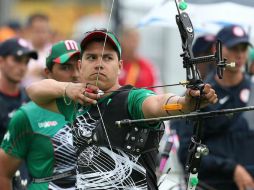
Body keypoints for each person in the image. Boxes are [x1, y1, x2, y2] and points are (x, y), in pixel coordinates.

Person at [25, 29, 217, 190]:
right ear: (80, 66)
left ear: (119, 66)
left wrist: (186, 104)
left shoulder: (132, 99)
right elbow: (34, 91)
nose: (99, 64)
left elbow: (157, 104)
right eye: (91, 57)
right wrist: (67, 88)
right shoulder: (78, 101)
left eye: (107, 58)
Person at [171, 25, 254, 190]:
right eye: (233, 48)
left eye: (243, 48)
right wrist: (232, 170)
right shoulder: (199, 97)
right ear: (217, 50)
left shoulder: (252, 92)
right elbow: (187, 153)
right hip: (210, 185)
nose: (239, 55)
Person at [0, 40, 81, 190]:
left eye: (80, 66)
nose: (76, 74)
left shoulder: (98, 107)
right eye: (65, 67)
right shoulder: (30, 112)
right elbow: (3, 172)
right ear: (48, 73)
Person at [0, 37, 38, 143]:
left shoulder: (30, 98)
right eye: (17, 60)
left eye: (26, 62)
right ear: (1, 61)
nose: (22, 67)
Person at [118, 27, 161, 92]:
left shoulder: (146, 66)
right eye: (130, 40)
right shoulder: (114, 64)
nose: (133, 45)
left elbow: (157, 92)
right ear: (121, 40)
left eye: (135, 40)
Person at [22, 13, 52, 87]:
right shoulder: (22, 49)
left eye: (44, 31)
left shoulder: (53, 50)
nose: (41, 35)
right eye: (37, 31)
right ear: (28, 31)